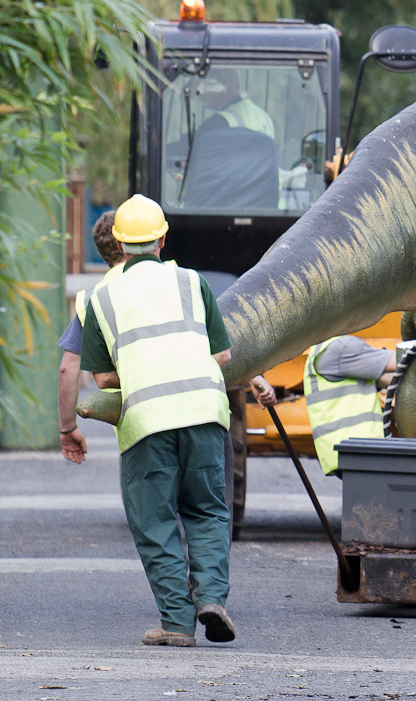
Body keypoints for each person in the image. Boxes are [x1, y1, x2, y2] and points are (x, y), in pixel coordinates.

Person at [80, 194, 275, 647]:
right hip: (205, 414)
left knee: (156, 520)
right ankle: (212, 598)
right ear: (164, 238)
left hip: (147, 421)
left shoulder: (101, 298)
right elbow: (223, 355)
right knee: (207, 510)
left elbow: (104, 376)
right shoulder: (192, 283)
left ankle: (176, 623)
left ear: (120, 246)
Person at [55, 211, 125, 465]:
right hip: (206, 416)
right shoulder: (180, 280)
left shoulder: (94, 299)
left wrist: (67, 428)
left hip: (143, 424)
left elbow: (68, 369)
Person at [304, 335, 398, 475]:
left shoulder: (320, 349)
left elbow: (390, 379)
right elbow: (403, 361)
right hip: (358, 449)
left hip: (345, 452)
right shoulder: (342, 348)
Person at [198, 71, 274, 138]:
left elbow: (191, 146)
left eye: (209, 84)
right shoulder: (265, 118)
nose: (202, 92)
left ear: (228, 86)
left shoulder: (220, 120)